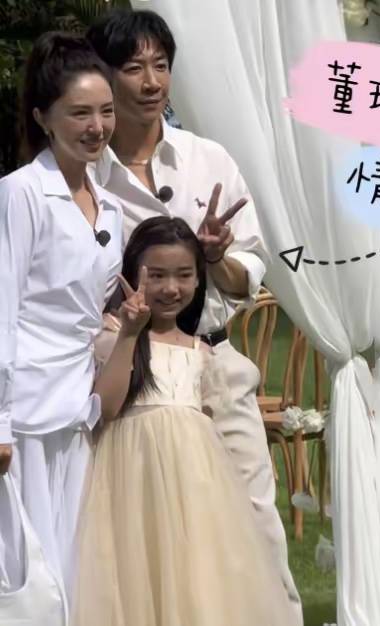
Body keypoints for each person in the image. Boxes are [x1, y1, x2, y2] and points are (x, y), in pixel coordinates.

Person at [85, 9, 301, 616]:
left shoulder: (209, 159)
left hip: (213, 357)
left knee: (255, 521)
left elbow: (250, 274)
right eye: (134, 68)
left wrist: (214, 258)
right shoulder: (86, 175)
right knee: (136, 537)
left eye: (161, 66)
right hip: (127, 373)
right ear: (104, 75)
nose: (151, 82)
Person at [72, 216, 297, 626]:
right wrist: (129, 334)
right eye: (156, 275)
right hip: (130, 481)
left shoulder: (201, 353)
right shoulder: (112, 336)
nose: (170, 288)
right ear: (132, 274)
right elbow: (106, 407)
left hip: (194, 488)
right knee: (136, 574)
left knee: (195, 575)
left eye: (183, 275)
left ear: (198, 280)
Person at [0, 32, 122, 605]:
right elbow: (4, 306)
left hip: (77, 408)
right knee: (25, 573)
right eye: (80, 113)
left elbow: (93, 310)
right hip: (24, 410)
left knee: (71, 564)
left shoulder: (110, 205)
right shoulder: (21, 193)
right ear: (43, 118)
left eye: (106, 111)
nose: (97, 126)